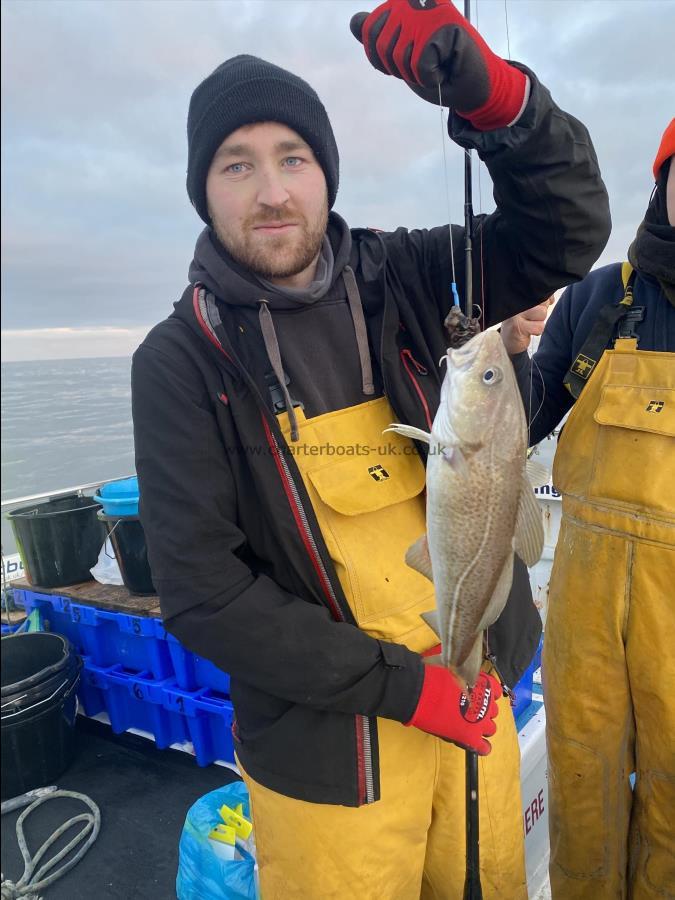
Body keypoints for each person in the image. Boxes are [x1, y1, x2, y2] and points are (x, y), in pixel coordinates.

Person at [132, 1, 610, 896]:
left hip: (474, 704)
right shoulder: (179, 362)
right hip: (326, 768)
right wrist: (406, 688)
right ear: (203, 189)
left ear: (326, 174)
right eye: (237, 166)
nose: (271, 191)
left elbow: (567, 231)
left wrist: (501, 105)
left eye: (293, 159)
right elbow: (204, 595)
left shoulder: (408, 277)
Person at [501, 119, 675, 899]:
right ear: (661, 182)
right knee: (581, 776)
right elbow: (528, 415)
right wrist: (502, 353)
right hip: (586, 598)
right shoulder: (603, 299)